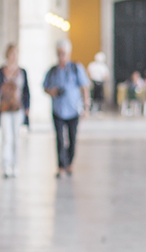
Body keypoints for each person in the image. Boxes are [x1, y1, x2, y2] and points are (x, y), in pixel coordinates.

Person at [43, 37, 87, 176]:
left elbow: (84, 87)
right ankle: (61, 166)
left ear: (68, 54)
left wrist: (86, 106)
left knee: (72, 138)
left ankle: (69, 164)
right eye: (59, 53)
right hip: (58, 109)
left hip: (73, 109)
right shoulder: (52, 71)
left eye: (63, 53)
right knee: (60, 139)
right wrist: (52, 91)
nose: (61, 57)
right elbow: (45, 87)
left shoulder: (76, 68)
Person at [0, 44, 29, 178]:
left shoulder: (22, 71)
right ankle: (6, 165)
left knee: (16, 138)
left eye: (15, 53)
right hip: (5, 108)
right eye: (11, 53)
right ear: (7, 54)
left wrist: (27, 109)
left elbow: (26, 91)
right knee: (6, 137)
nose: (13, 56)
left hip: (18, 108)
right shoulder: (1, 72)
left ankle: (15, 165)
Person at [87, 49, 109, 113]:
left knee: (100, 96)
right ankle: (94, 108)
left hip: (99, 82)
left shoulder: (103, 66)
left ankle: (99, 108)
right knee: (94, 96)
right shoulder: (93, 65)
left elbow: (105, 75)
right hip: (94, 82)